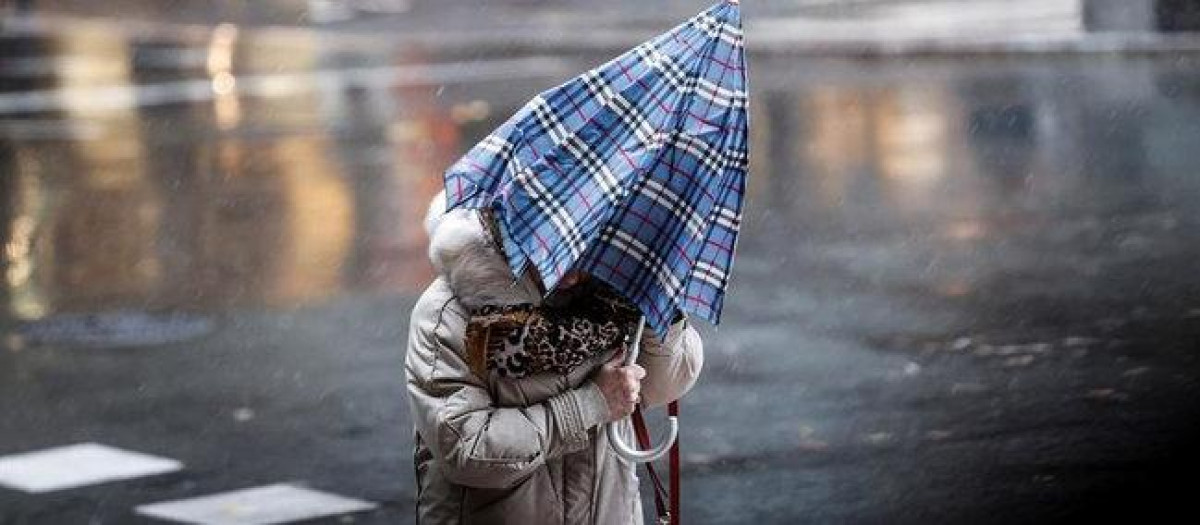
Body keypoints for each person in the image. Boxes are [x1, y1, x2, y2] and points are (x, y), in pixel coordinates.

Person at [406, 191, 704, 524]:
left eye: (585, 245)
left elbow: (664, 384)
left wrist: (659, 298)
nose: (575, 273)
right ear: (509, 230)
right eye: (555, 249)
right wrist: (588, 405)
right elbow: (466, 449)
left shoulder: (610, 290)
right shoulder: (449, 315)